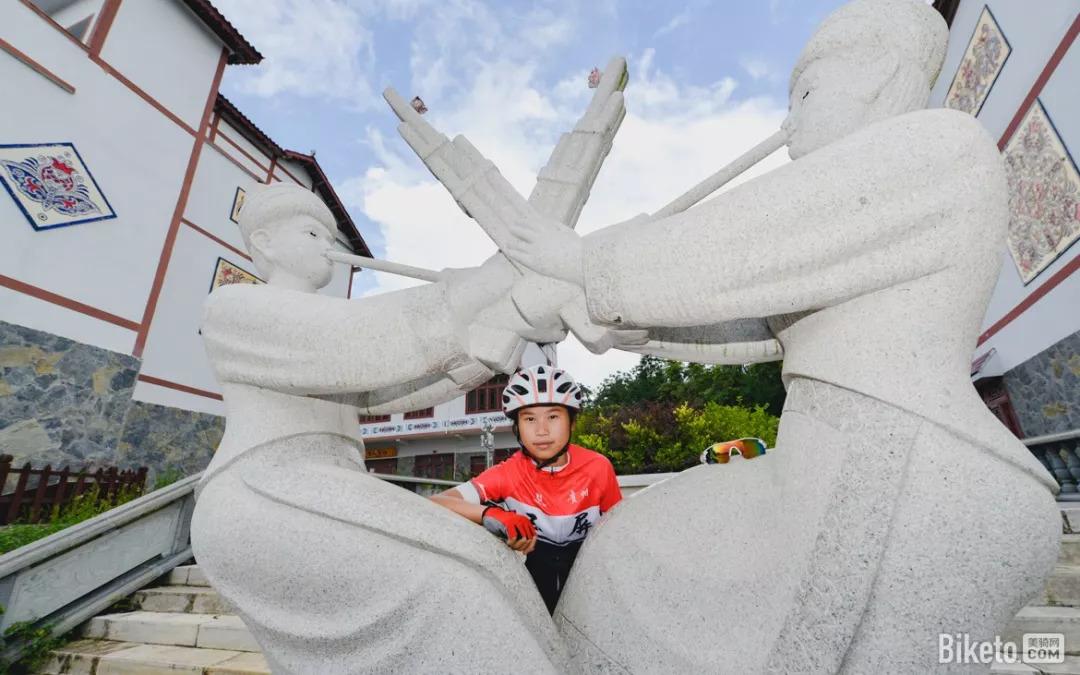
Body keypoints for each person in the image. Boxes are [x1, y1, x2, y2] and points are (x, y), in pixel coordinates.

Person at [430, 364, 622, 614]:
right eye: (529, 418)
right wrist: (492, 514)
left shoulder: (598, 467)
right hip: (535, 574)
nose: (541, 430)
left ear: (572, 423)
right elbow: (438, 501)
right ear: (517, 427)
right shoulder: (508, 473)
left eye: (553, 417)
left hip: (589, 572)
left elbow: (618, 533)